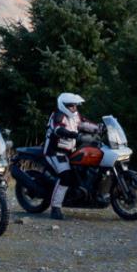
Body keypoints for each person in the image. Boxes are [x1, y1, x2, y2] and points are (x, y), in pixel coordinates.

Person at [44, 92, 102, 220]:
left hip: (70, 150)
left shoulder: (75, 116)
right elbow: (59, 130)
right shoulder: (58, 116)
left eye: (76, 105)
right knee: (66, 176)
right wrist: (78, 136)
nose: (75, 108)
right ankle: (55, 208)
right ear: (64, 106)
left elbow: (83, 123)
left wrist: (98, 128)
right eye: (72, 106)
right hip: (55, 151)